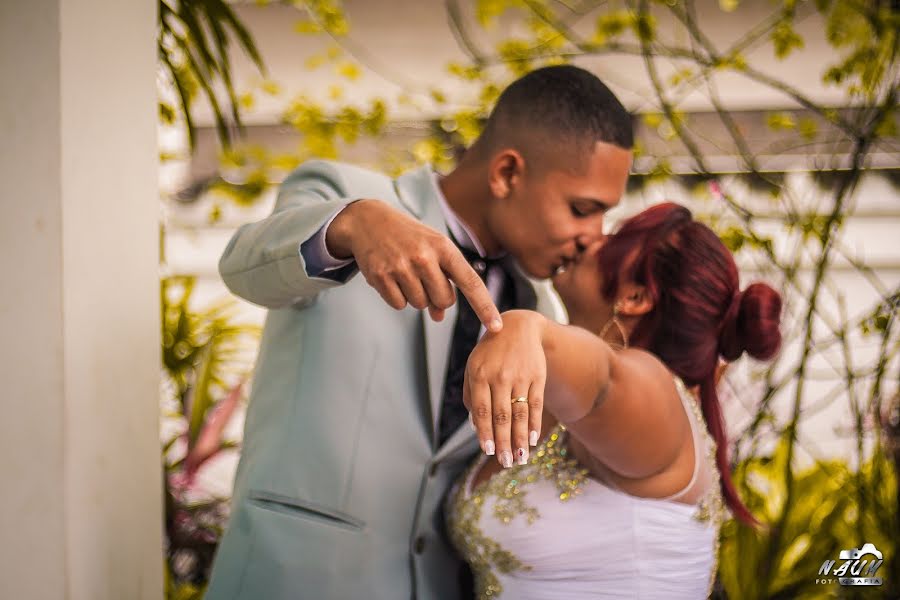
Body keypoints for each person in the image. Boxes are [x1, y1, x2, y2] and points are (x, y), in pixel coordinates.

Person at [204, 65, 634, 600]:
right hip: (292, 579)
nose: (592, 237)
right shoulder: (349, 200)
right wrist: (351, 226)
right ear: (506, 173)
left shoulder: (535, 309)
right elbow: (242, 265)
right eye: (582, 210)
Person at [447, 202, 782, 599]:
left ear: (636, 296)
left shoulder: (658, 395)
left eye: (615, 238)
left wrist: (527, 327)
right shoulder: (567, 402)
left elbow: (604, 379)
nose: (590, 237)